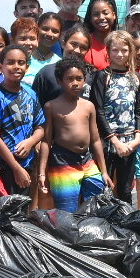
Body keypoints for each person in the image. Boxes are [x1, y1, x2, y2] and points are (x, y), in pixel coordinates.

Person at [41, 57, 109, 211]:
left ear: (85, 80)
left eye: (79, 78)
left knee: (96, 202)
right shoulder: (52, 106)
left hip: (87, 160)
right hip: (62, 161)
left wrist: (104, 171)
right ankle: (67, 235)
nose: (75, 83)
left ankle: (89, 234)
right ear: (60, 81)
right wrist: (42, 174)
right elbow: (46, 141)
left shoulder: (88, 106)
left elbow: (96, 140)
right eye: (69, 79)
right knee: (67, 210)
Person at [0, 45, 46, 201]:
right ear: (1, 67)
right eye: (10, 62)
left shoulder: (30, 93)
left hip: (28, 162)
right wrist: (16, 168)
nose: (16, 67)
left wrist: (30, 142)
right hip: (7, 165)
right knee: (9, 211)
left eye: (21, 62)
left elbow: (40, 128)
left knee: (24, 210)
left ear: (27, 66)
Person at [89, 30, 140, 202]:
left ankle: (125, 224)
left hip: (130, 142)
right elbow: (98, 110)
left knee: (125, 189)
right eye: (115, 50)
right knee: (106, 187)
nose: (120, 54)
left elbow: (139, 110)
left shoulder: (136, 78)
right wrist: (114, 141)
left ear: (130, 52)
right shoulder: (102, 76)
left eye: (124, 50)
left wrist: (137, 137)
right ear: (108, 51)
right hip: (108, 142)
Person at [33, 24, 95, 107]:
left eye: (83, 48)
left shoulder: (91, 75)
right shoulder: (46, 73)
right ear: (63, 43)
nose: (77, 50)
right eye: (73, 44)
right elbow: (35, 107)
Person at [83, 0, 120, 70]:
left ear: (114, 15)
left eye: (105, 13)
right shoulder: (84, 43)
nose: (101, 17)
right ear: (90, 18)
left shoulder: (122, 43)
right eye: (96, 14)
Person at [24, 14, 61, 86]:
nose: (50, 34)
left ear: (60, 35)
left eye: (55, 31)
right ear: (37, 29)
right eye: (45, 29)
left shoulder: (59, 64)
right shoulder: (23, 57)